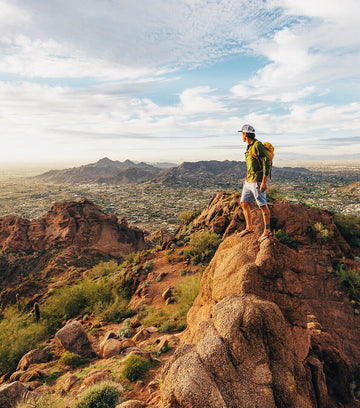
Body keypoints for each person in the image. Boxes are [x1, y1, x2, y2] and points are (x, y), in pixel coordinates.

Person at [238, 124, 272, 243]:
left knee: (262, 206)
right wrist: (246, 178)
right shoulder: (249, 146)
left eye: (242, 133)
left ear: (246, 134)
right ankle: (249, 227)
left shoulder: (257, 145)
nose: (241, 136)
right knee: (243, 203)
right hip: (248, 181)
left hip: (257, 182)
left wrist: (264, 182)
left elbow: (266, 162)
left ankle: (267, 231)